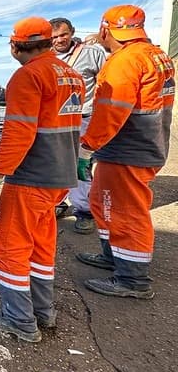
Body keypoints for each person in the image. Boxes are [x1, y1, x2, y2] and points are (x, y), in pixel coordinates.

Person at [0, 17, 84, 343]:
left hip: (31, 177)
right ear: (49, 42)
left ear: (15, 45)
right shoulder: (72, 76)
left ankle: (20, 320)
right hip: (59, 177)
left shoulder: (27, 76)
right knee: (40, 244)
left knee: (9, 245)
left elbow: (18, 133)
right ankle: (43, 312)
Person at [76, 5, 175, 299]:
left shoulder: (124, 63)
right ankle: (113, 256)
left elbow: (110, 112)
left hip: (127, 148)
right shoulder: (157, 57)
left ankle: (133, 278)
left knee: (125, 210)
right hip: (144, 143)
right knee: (102, 200)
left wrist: (87, 147)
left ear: (106, 29)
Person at [50, 17, 107, 234]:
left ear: (72, 32)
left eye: (63, 35)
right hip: (57, 121)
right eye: (54, 37)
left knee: (81, 165)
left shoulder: (92, 54)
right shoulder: (46, 58)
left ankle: (84, 212)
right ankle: (61, 202)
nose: (59, 40)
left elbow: (105, 83)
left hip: (84, 117)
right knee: (58, 164)